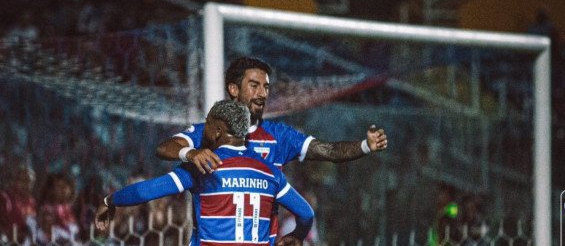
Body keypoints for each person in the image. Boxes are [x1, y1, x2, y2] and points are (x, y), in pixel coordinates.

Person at [156, 56, 388, 240]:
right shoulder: (209, 133)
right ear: (234, 89)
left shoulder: (279, 136)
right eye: (254, 85)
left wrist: (365, 146)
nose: (263, 94)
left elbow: (327, 151)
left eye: (266, 87)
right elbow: (166, 147)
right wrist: (192, 152)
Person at [96, 100, 314, 246]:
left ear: (217, 130)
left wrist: (110, 200)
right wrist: (297, 236)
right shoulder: (269, 171)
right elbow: (306, 214)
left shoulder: (203, 167)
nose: (203, 130)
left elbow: (147, 191)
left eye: (207, 124)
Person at [0, 166, 37, 243]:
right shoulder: (5, 198)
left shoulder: (32, 202)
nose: (27, 184)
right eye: (23, 180)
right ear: (16, 181)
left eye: (30, 182)